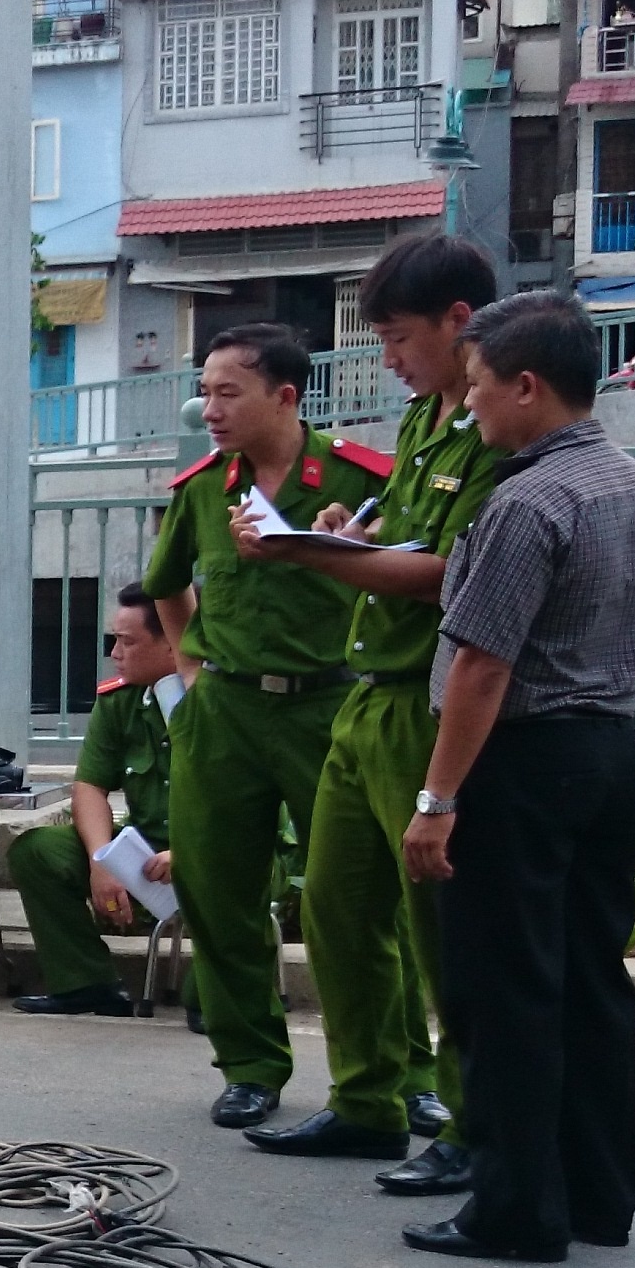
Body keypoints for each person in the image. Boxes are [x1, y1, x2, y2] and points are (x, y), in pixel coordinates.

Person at [398, 292, 635, 1263]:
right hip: (610, 752)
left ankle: (516, 1208)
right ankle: (599, 1194)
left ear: (526, 386)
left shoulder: (525, 501)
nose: (470, 407)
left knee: (505, 984)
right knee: (592, 978)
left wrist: (437, 800)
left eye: (477, 390)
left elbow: (482, 664)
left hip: (522, 761)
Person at [229, 235, 502, 1193]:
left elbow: (449, 577)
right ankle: (365, 1101)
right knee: (337, 906)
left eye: (395, 337)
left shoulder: (493, 427)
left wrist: (305, 553)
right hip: (366, 694)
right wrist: (351, 528)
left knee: (438, 927)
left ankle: (472, 1122)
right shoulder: (430, 417)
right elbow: (402, 524)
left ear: (458, 324)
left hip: (423, 702)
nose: (384, 358)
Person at [143, 324, 393, 1130]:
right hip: (225, 710)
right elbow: (166, 587)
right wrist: (187, 667)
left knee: (361, 899)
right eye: (204, 390)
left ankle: (400, 1071)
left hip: (328, 704)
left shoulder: (360, 480)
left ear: (285, 397)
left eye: (227, 393)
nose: (207, 409)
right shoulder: (200, 491)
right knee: (219, 892)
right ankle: (249, 1064)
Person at [7, 585, 180, 1017]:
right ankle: (86, 982)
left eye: (128, 641)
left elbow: (244, 805)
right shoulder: (121, 699)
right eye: (114, 640)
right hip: (146, 847)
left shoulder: (221, 701)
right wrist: (101, 858)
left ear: (174, 643)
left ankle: (217, 1001)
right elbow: (89, 787)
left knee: (232, 864)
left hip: (218, 848)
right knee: (38, 850)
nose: (115, 653)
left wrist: (190, 851)